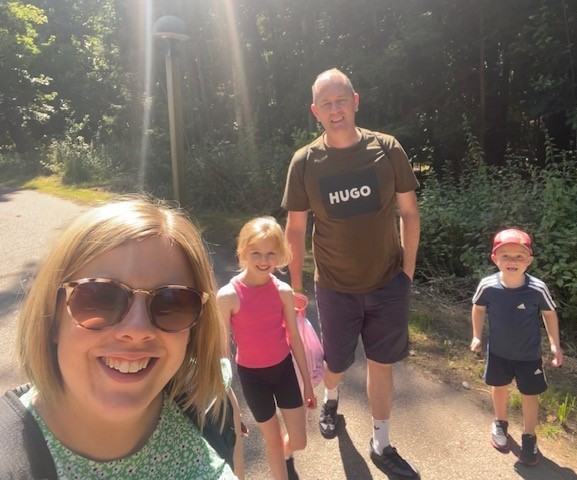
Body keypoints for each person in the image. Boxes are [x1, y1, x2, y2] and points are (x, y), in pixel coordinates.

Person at [0, 198, 239, 479]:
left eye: (172, 303)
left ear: (193, 330)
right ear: (52, 319)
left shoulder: (211, 404)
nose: (137, 329)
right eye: (100, 298)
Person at [281, 68, 421, 480]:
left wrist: (407, 273)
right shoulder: (305, 162)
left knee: (382, 363)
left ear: (355, 101)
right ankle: (331, 398)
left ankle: (381, 441)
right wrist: (297, 287)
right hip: (335, 288)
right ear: (315, 111)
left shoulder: (387, 149)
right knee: (337, 361)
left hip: (388, 283)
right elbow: (295, 228)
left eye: (341, 100)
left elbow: (409, 213)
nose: (335, 109)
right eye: (326, 103)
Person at [217, 216, 317, 480]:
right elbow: (220, 352)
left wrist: (307, 382)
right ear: (243, 253)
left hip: (283, 372)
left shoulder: (283, 291)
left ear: (281, 254)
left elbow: (294, 338)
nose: (264, 260)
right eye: (256, 253)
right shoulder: (228, 296)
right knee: (271, 440)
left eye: (271, 253)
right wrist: (227, 401)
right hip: (253, 377)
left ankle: (287, 451)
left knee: (299, 442)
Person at [470, 228, 563, 466]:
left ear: (529, 260)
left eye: (519, 256)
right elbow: (478, 308)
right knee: (498, 386)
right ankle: (500, 423)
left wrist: (555, 344)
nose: (512, 261)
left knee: (529, 394)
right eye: (506, 255)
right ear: (494, 258)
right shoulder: (488, 285)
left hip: (529, 356)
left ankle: (529, 437)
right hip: (498, 352)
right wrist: (476, 336)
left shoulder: (537, 288)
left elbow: (550, 314)